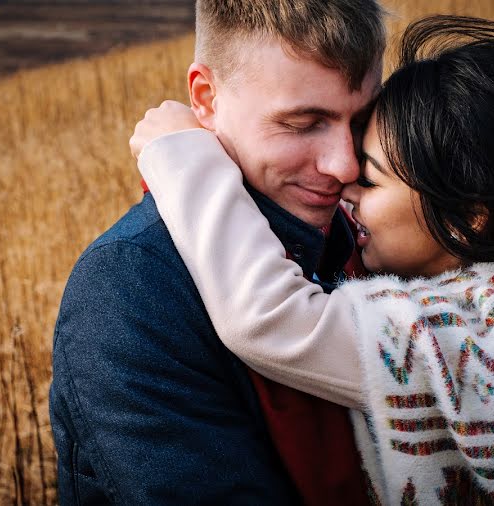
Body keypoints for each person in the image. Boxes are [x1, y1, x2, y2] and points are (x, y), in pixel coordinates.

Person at [131, 16, 494, 505]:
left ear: (466, 218)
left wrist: (184, 156)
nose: (345, 181)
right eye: (307, 123)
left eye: (371, 177)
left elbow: (274, 318)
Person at [49, 0, 387, 503]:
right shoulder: (130, 290)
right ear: (205, 98)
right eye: (302, 123)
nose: (343, 166)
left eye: (361, 122)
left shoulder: (366, 235)